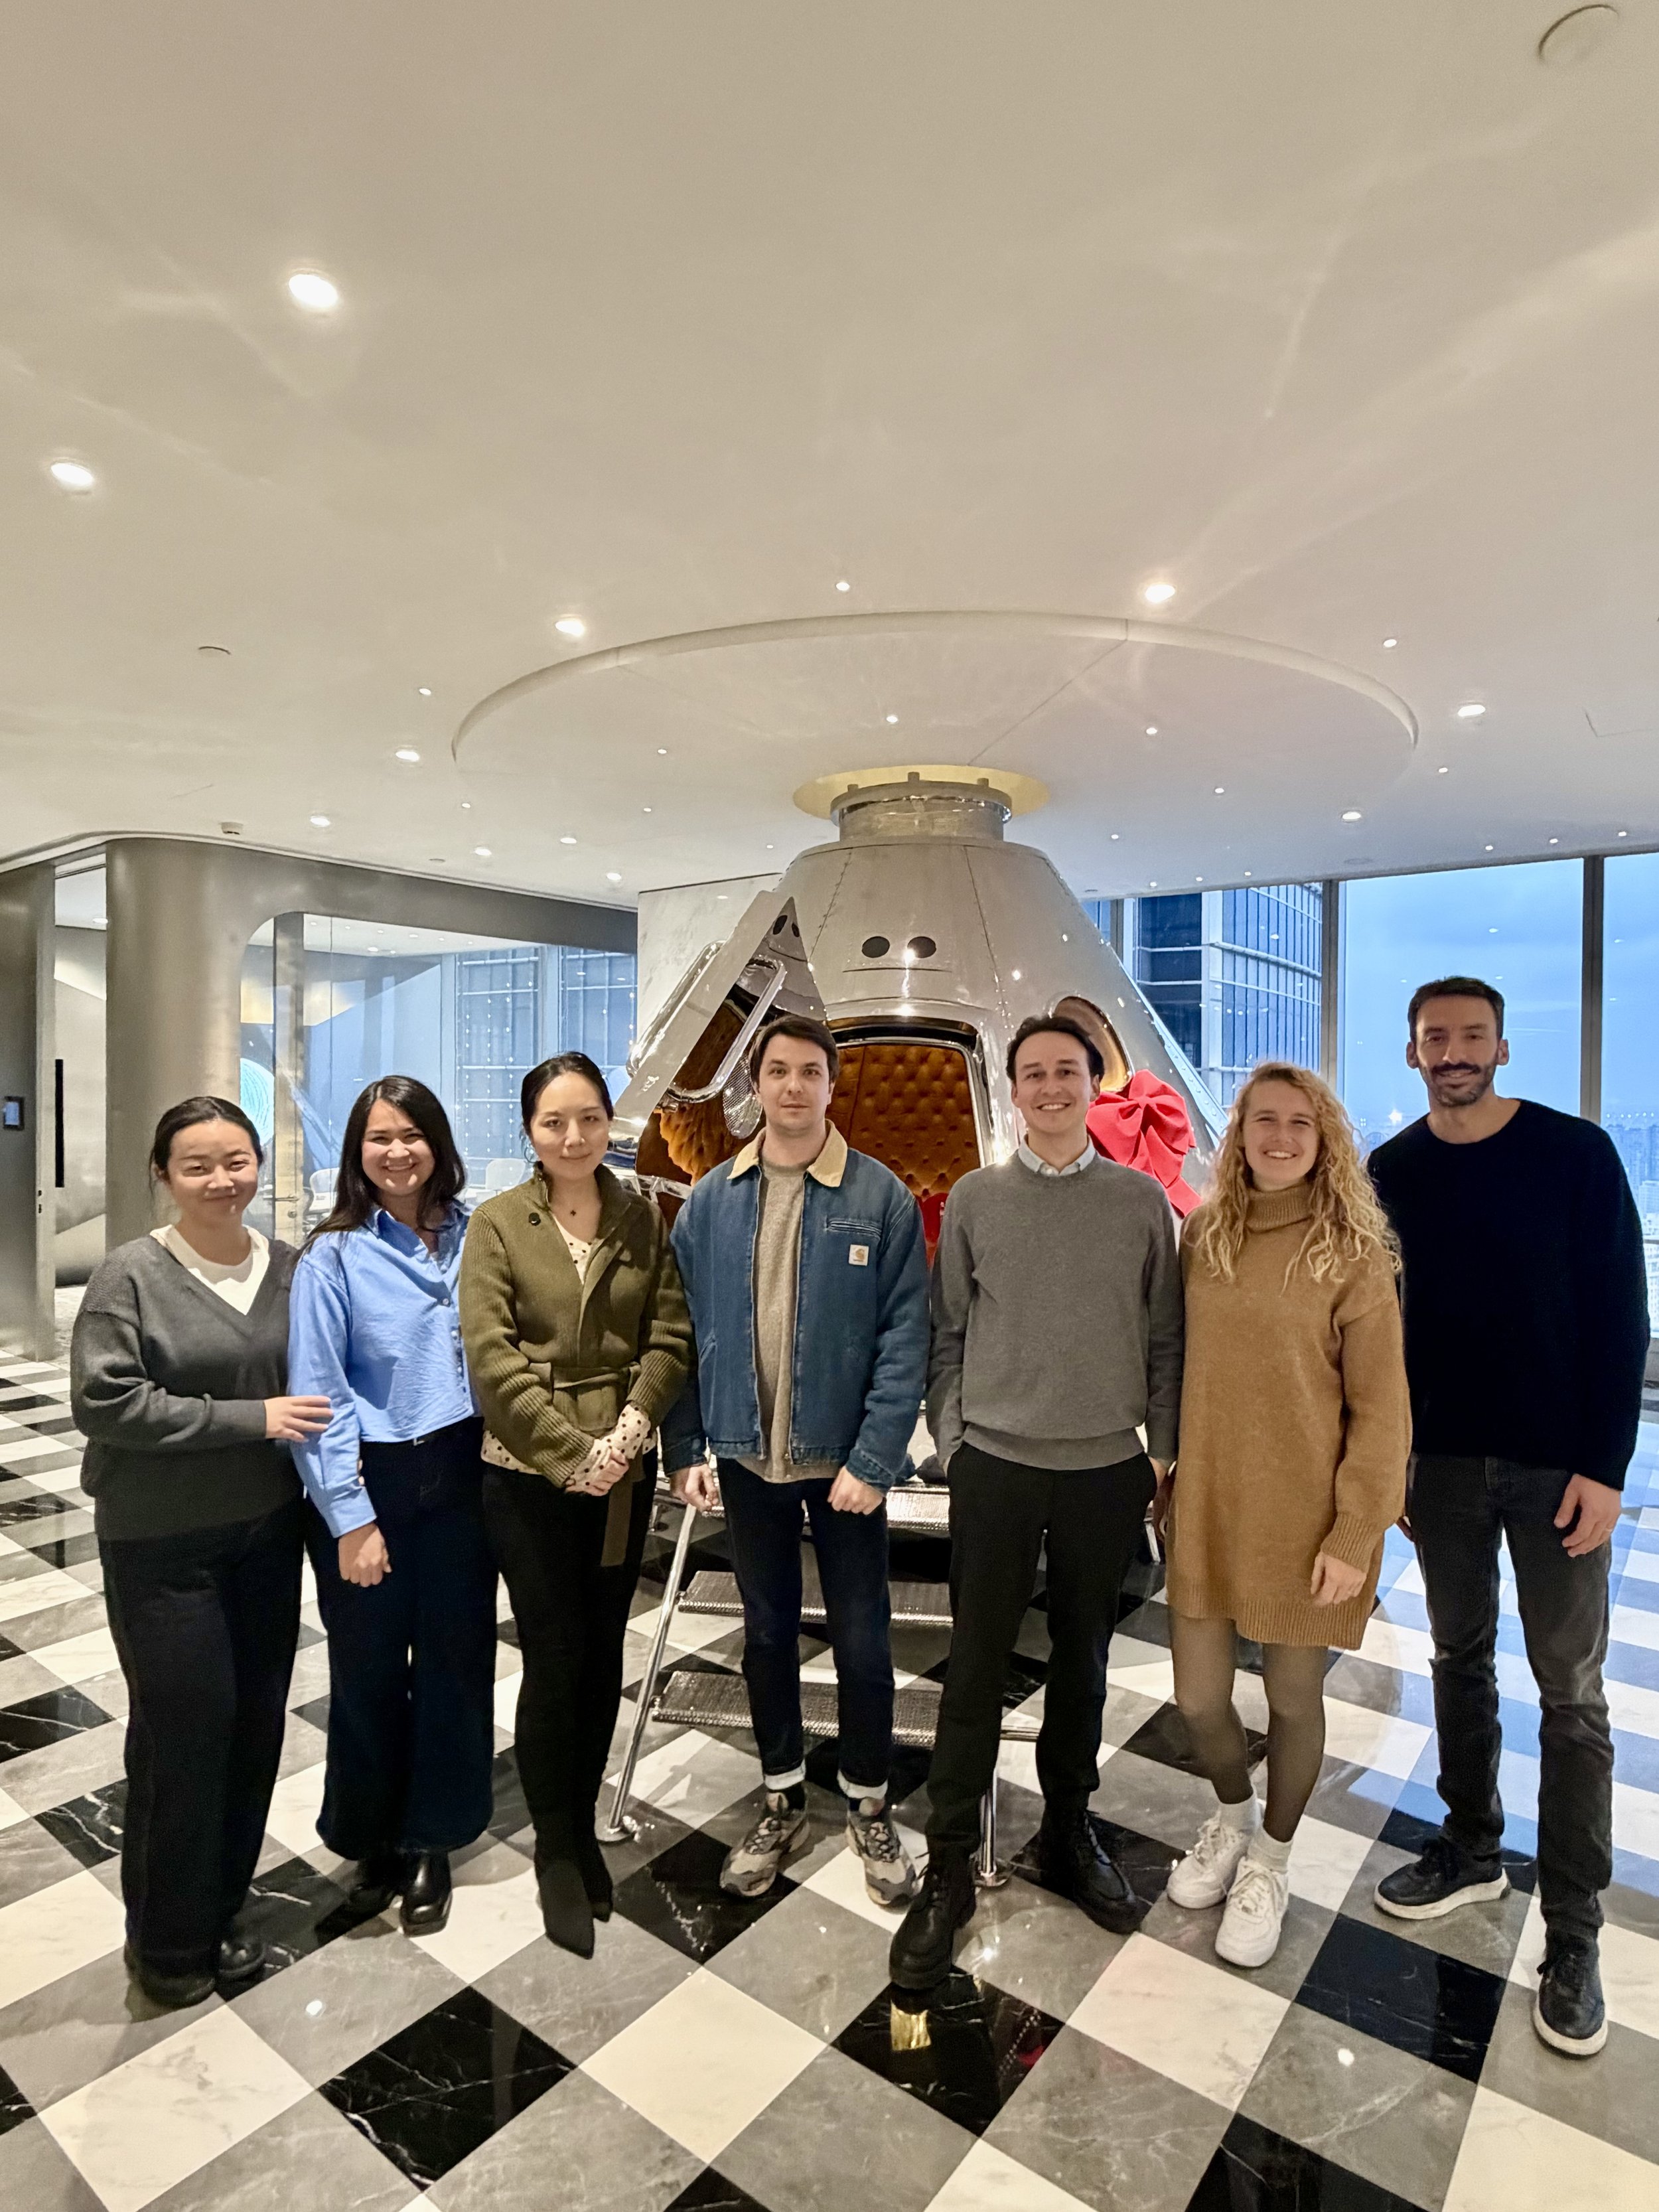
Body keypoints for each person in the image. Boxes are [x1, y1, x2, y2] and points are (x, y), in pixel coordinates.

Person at [1368, 977, 1648, 2059]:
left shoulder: (1576, 1156)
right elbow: (1380, 1333)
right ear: (1412, 1053)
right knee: (1458, 1656)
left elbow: (1622, 1311)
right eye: (1436, 1038)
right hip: (1437, 1464)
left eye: (1471, 1036)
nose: (1453, 1052)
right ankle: (1472, 1844)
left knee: (1573, 1695)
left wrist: (1606, 1466)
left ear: (1500, 1045)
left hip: (1553, 1470)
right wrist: (1385, 1463)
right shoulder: (1392, 1173)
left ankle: (1574, 1929)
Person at [890, 1014, 1184, 1990]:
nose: (1052, 1087)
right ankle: (945, 1866)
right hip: (998, 1464)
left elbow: (1167, 1344)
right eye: (1035, 1073)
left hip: (1105, 1469)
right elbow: (946, 1333)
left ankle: (1068, 1827)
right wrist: (957, 1440)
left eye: (1069, 1071)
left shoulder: (1142, 1203)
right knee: (972, 1663)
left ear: (1095, 1083)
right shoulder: (976, 1198)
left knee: (1085, 1657)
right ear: (1013, 1090)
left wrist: (1161, 1458)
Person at [662, 1015, 930, 1906]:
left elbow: (905, 1338)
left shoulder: (878, 1197)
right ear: (757, 1082)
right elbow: (681, 1331)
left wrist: (877, 1457)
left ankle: (868, 1797)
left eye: (809, 1072)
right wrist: (686, 1443)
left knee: (862, 1638)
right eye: (776, 1071)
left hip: (843, 1466)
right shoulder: (711, 1200)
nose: (791, 1087)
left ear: (831, 1083)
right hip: (743, 1458)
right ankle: (780, 1795)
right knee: (767, 1636)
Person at [71, 1097, 331, 2008]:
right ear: (163, 1174)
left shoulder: (292, 1269)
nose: (222, 1180)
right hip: (160, 1544)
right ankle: (166, 1942)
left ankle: (224, 1908)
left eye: (237, 1160)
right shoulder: (129, 1276)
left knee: (255, 1728)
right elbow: (106, 1403)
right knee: (183, 1733)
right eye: (198, 1164)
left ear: (260, 1164)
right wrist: (248, 1418)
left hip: (266, 1536)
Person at [1161, 1064, 1409, 1966]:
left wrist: (1355, 1534)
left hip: (1306, 1520)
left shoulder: (1352, 1252)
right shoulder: (1206, 1232)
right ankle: (1230, 1819)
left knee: (1292, 1699)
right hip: (1211, 1505)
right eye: (1263, 1120)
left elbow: (1383, 1411)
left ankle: (1273, 1851)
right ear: (1239, 1133)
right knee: (1197, 1696)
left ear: (1324, 1136)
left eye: (1299, 1122)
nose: (1279, 1136)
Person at [460, 1052, 693, 1958]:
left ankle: (588, 1815)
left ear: (608, 1123)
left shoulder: (641, 1216)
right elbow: (493, 1357)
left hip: (621, 1475)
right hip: (526, 1474)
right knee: (553, 1652)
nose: (574, 1136)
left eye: (589, 1118)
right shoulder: (497, 1224)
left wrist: (628, 1436)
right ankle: (555, 1842)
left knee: (603, 1652)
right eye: (555, 1121)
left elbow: (669, 1332)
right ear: (531, 1131)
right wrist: (571, 1454)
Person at [287, 1076, 497, 1936]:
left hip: (464, 1472)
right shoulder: (331, 1255)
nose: (398, 1150)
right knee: (368, 1668)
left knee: (455, 1663)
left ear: (438, 1142)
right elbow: (318, 1392)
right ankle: (369, 1836)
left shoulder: (479, 1234)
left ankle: (432, 1838)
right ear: (357, 1153)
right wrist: (351, 1516)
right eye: (380, 1137)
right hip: (371, 1474)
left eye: (412, 1134)